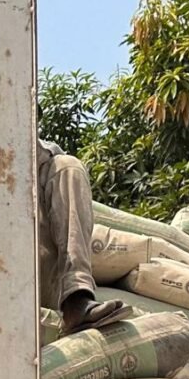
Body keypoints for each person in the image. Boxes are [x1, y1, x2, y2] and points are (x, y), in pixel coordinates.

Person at [38, 139, 130, 333]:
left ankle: (75, 296)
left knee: (68, 167)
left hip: (35, 280)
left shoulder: (43, 166)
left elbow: (30, 149)